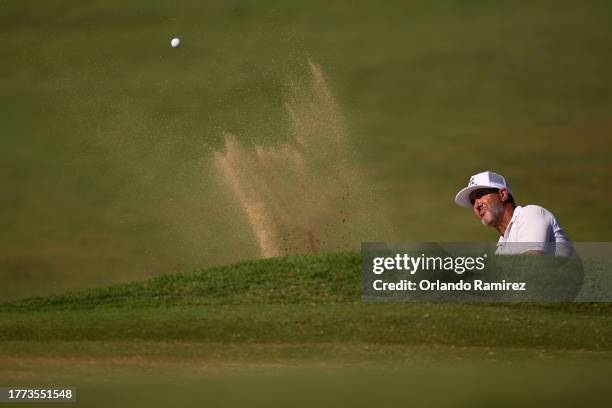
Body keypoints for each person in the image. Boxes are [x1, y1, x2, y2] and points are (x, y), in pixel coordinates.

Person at [454, 171, 574, 256]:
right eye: (472, 201)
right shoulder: (501, 248)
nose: (476, 204)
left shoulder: (529, 214)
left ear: (503, 195)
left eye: (480, 195)